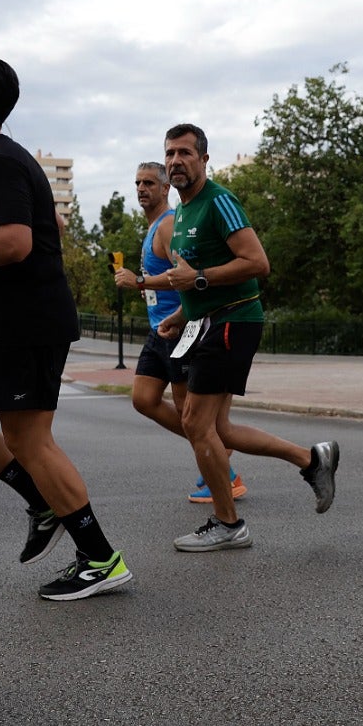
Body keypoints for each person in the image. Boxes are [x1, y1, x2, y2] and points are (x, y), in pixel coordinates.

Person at [0, 56, 131, 600]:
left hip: (27, 323)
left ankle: (101, 557)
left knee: (28, 439)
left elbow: (16, 242)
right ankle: (40, 502)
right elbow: (46, 225)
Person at [155, 123, 338, 550]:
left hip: (234, 321)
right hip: (207, 322)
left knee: (194, 423)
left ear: (203, 158)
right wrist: (182, 315)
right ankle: (313, 460)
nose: (176, 161)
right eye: (169, 154)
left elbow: (257, 263)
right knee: (221, 429)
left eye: (185, 153)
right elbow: (198, 280)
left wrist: (197, 280)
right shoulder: (182, 212)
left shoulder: (220, 201)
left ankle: (228, 523)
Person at [113, 162, 247, 502]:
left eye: (148, 183)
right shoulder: (154, 226)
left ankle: (224, 473)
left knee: (193, 416)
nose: (141, 188)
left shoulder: (169, 224)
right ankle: (216, 450)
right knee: (144, 399)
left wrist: (139, 281)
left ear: (164, 189)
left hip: (180, 327)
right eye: (137, 182)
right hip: (160, 329)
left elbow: (183, 273)